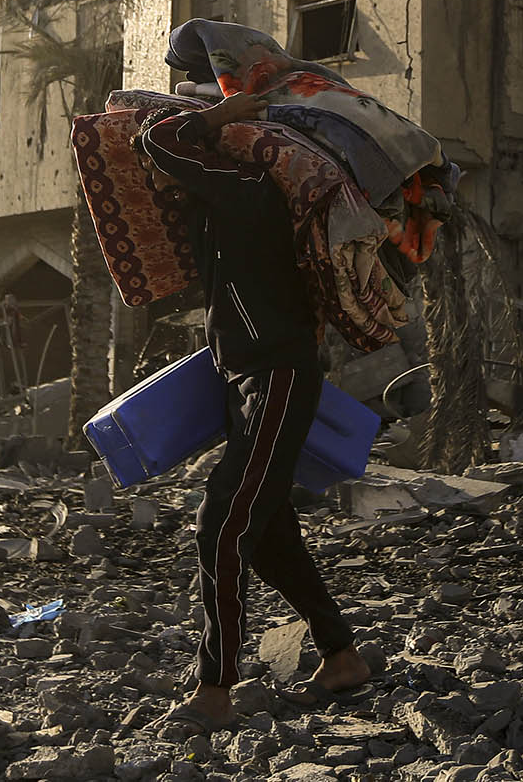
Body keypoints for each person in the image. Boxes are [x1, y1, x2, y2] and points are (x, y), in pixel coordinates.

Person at [138, 90, 373, 731]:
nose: (166, 173)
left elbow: (157, 140)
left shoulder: (245, 191)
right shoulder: (222, 203)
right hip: (253, 380)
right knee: (267, 537)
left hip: (277, 378)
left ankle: (216, 688)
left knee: (222, 523)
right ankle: (342, 655)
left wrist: (217, 116)